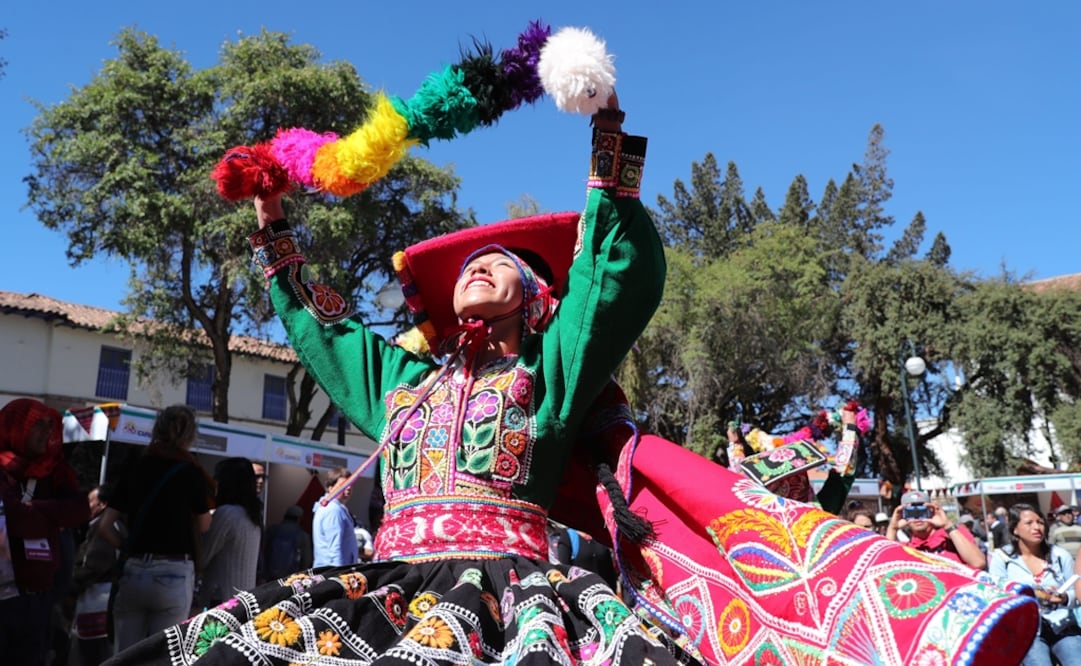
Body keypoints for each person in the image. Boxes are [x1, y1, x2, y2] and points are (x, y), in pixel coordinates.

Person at [105, 27, 1039, 665]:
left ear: (536, 297)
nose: (475, 266)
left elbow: (613, 277)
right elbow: (321, 330)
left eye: (495, 262)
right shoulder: (400, 382)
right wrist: (273, 219)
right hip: (381, 588)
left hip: (515, 597)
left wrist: (607, 127)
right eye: (465, 264)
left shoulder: (544, 376)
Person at [100, 404, 212, 653]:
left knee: (125, 654)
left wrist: (129, 547)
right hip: (174, 571)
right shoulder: (191, 472)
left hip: (134, 570)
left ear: (157, 428)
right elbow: (204, 524)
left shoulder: (137, 466)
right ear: (190, 435)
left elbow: (105, 527)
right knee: (164, 655)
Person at [0, 398, 89, 665]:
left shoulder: (54, 469)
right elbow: (16, 520)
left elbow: (78, 511)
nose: (46, 433)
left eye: (48, 426)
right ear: (16, 428)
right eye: (37, 426)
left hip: (38, 597)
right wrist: (49, 517)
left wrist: (35, 507)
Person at [989, 503, 1081, 665]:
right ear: (1014, 529)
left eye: (1039, 522)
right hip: (1027, 632)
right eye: (1029, 523)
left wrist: (1064, 598)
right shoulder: (1002, 559)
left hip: (1063, 627)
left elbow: (1077, 592)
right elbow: (996, 596)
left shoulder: (1060, 555)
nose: (1037, 527)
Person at [195, 458, 263, 609]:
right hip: (243, 600)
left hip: (221, 601)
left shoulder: (227, 514)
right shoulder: (252, 516)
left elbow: (202, 557)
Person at [69, 485, 121, 665]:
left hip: (97, 598)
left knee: (89, 654)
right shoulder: (113, 526)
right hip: (101, 597)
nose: (87, 506)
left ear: (103, 504)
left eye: (90, 501)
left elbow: (94, 564)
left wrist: (71, 584)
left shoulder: (103, 529)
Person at [886, 490, 987, 570]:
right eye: (911, 513)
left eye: (922, 511)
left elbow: (978, 563)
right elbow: (884, 566)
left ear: (931, 511)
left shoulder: (953, 534)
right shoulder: (907, 548)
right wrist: (892, 528)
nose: (917, 517)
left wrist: (947, 524)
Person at [311, 468, 359, 568]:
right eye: (344, 485)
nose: (349, 488)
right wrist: (338, 575)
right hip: (333, 571)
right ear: (330, 488)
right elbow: (334, 547)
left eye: (350, 484)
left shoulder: (334, 508)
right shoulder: (333, 510)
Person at [260, 506, 312, 581]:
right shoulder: (302, 535)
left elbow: (263, 551)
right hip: (290, 577)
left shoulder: (272, 530)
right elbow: (306, 559)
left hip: (270, 576)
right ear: (298, 519)